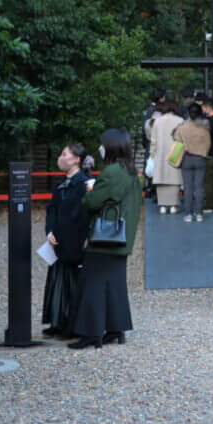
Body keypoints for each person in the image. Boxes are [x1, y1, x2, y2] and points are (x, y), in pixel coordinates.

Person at [70, 129, 140, 349]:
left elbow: (92, 202)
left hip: (104, 238)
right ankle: (115, 329)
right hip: (121, 237)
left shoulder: (111, 172)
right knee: (115, 286)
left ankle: (91, 333)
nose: (100, 147)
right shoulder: (130, 171)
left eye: (102, 144)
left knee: (92, 284)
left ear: (110, 146)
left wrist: (89, 192)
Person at [43, 144, 92, 337]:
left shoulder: (85, 183)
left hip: (75, 238)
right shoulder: (60, 183)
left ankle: (73, 324)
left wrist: (87, 237)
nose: (61, 158)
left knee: (73, 281)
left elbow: (86, 213)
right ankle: (57, 321)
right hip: (59, 238)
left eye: (65, 154)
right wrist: (50, 231)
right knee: (57, 280)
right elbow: (51, 209)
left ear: (76, 159)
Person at [173, 104, 211, 222]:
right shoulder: (205, 127)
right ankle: (199, 214)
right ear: (200, 113)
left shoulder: (182, 127)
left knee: (188, 187)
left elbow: (176, 139)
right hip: (200, 158)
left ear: (189, 113)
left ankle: (188, 214)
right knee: (199, 187)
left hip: (187, 159)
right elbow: (208, 143)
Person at [148, 99, 184, 213]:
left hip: (161, 154)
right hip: (176, 153)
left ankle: (162, 205)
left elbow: (153, 140)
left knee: (162, 180)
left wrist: (152, 153)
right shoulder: (180, 120)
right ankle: (174, 205)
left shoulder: (158, 121)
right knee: (175, 179)